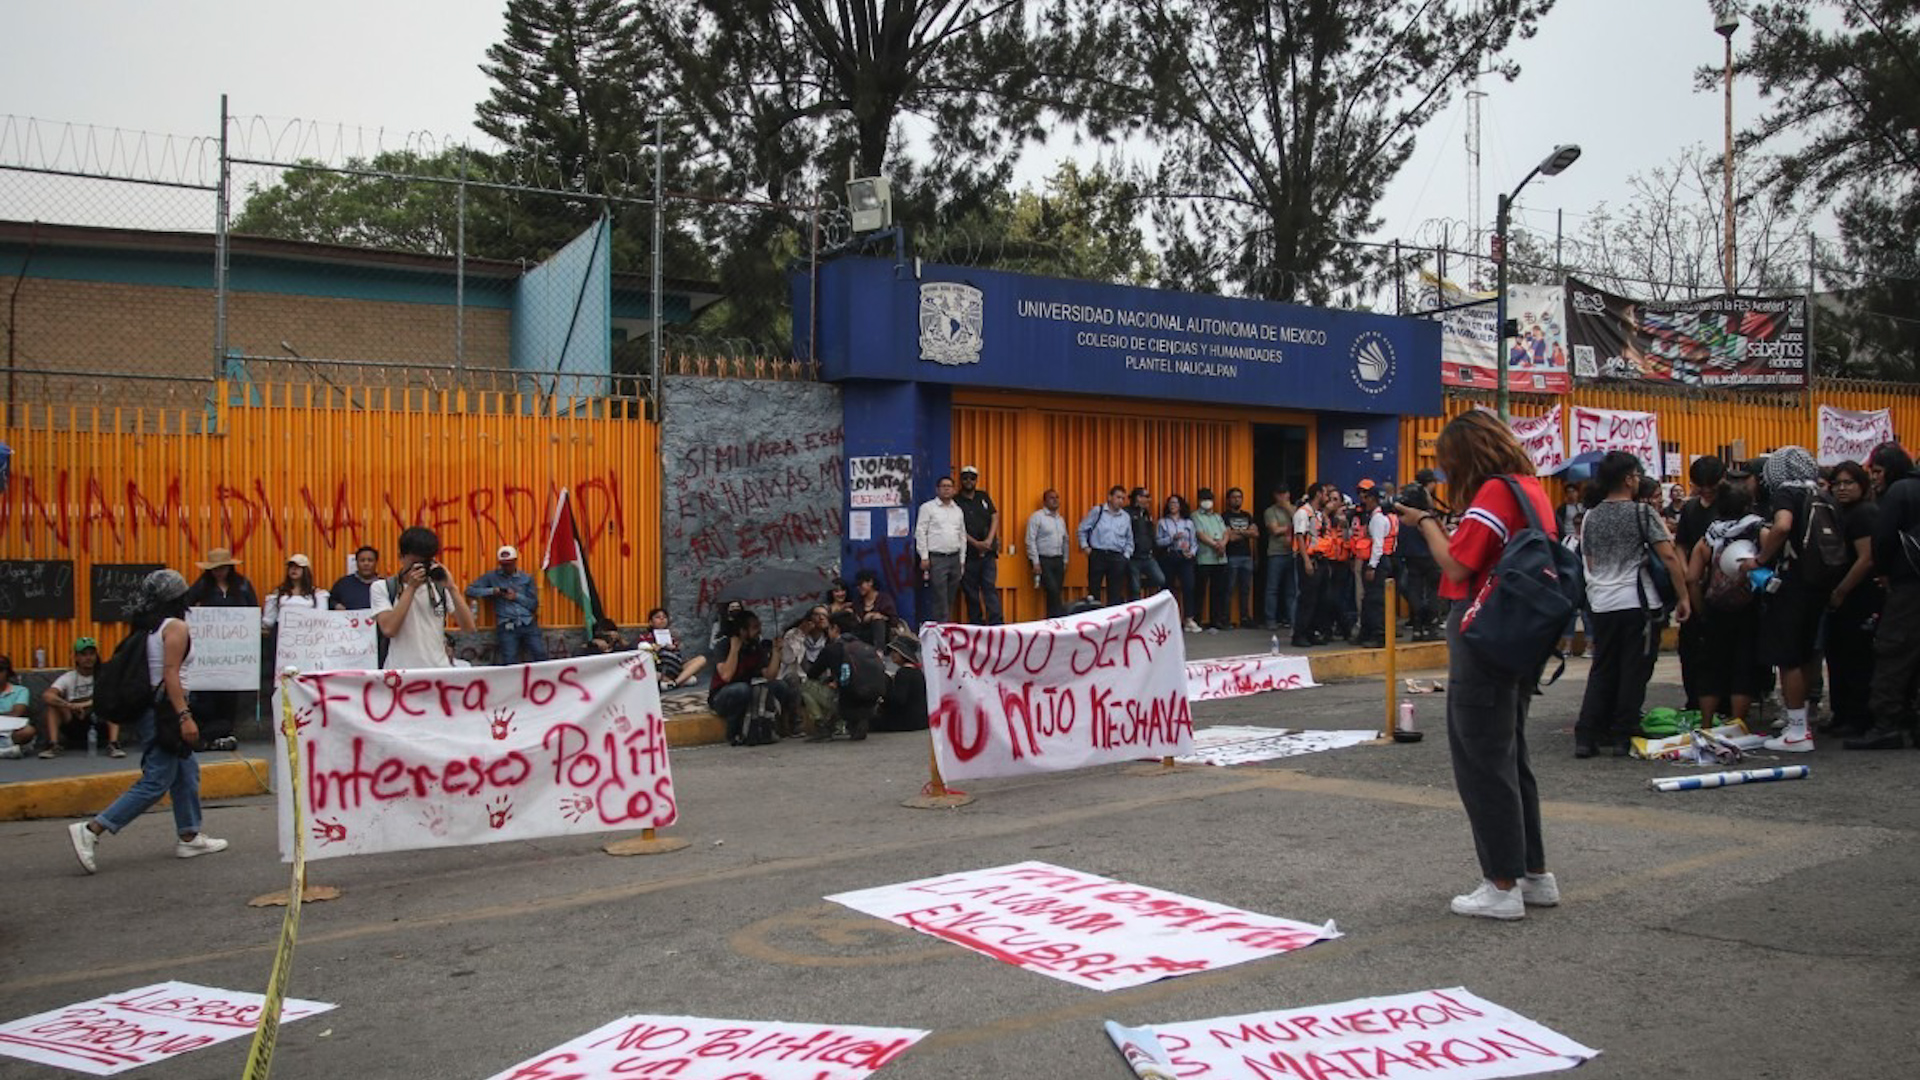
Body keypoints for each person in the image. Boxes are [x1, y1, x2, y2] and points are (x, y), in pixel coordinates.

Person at [1393, 410, 1558, 921]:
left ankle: (1501, 883)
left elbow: (1458, 563)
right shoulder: (1531, 490)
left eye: (1446, 464)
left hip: (1482, 632)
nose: (1444, 475)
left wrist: (1423, 522)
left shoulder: (1493, 494)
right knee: (1511, 757)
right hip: (1518, 635)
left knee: (1481, 759)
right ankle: (1533, 875)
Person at [67, 569, 229, 874]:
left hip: (156, 710)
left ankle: (190, 835)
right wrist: (185, 716)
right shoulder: (176, 627)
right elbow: (170, 675)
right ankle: (92, 829)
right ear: (179, 596)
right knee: (157, 780)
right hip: (166, 712)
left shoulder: (150, 627)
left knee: (186, 772)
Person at [1574, 452, 1691, 759]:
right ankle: (1623, 734)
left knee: (1602, 669)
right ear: (1628, 479)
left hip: (1601, 603)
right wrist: (1683, 597)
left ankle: (1586, 735)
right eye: (1637, 476)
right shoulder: (1642, 513)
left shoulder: (1590, 516)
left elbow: (1589, 561)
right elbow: (1668, 557)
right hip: (1637, 604)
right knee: (1633, 670)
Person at [1752, 447, 1833, 752]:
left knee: (1788, 658)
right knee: (1806, 652)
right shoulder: (1821, 493)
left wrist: (1761, 557)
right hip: (1817, 582)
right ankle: (1804, 719)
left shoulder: (1786, 494)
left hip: (1792, 582)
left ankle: (1797, 729)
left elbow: (1783, 526)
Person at [1849, 443, 1920, 750]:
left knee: (1892, 650)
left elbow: (1883, 538)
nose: (1874, 478)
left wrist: (1885, 572)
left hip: (1907, 586)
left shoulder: (1901, 491)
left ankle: (1886, 723)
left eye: (1877, 471)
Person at [1687, 483, 1766, 727]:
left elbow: (1692, 577)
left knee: (1711, 666)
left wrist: (1701, 609)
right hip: (1748, 607)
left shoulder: (1709, 535)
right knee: (1743, 666)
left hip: (1715, 607)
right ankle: (1737, 725)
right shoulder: (1758, 530)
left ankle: (1708, 723)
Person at [1820, 460, 1881, 739]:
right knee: (1838, 657)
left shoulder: (1864, 513)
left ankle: (1857, 717)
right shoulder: (1839, 511)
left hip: (1858, 597)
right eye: (1837, 483)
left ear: (1862, 484)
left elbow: (1866, 558)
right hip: (1840, 598)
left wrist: (1841, 591)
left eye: (1848, 483)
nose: (1842, 488)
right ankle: (1841, 713)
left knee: (1856, 658)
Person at [184, 547, 258, 752]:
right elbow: (186, 607)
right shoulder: (201, 586)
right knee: (208, 695)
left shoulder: (242, 585)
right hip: (209, 650)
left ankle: (225, 731)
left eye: (222, 568)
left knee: (230, 693)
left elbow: (253, 610)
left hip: (234, 649)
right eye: (215, 569)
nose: (219, 572)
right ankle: (210, 731)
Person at [371, 526, 477, 670]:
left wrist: (452, 588)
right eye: (415, 562)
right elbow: (389, 629)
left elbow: (469, 627)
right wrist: (411, 588)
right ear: (401, 557)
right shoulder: (383, 587)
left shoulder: (439, 587)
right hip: (401, 673)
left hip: (438, 671)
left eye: (425, 562)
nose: (421, 567)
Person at [1674, 457, 1725, 712]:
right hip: (1693, 586)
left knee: (1720, 647)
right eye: (1700, 486)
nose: (1706, 492)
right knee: (1690, 647)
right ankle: (1693, 699)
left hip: (1724, 589)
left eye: (1711, 487)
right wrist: (1686, 571)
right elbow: (1680, 544)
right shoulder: (1691, 508)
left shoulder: (1730, 506)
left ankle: (1721, 702)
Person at [709, 607, 786, 744]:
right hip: (723, 696)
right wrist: (734, 650)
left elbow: (769, 675)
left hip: (748, 692)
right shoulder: (723, 645)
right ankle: (734, 732)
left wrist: (776, 652)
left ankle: (770, 727)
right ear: (743, 631)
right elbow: (726, 676)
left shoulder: (756, 646)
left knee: (779, 686)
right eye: (755, 627)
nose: (759, 631)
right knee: (741, 689)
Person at [805, 611, 886, 741]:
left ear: (835, 628)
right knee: (844, 687)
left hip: (845, 703)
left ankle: (822, 726)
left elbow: (812, 674)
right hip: (871, 701)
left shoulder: (831, 649)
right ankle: (855, 721)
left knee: (805, 685)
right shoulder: (866, 647)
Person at [40, 638, 120, 758]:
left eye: (92, 654)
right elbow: (47, 695)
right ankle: (53, 745)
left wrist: (85, 705)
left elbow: (111, 694)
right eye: (83, 654)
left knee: (112, 703)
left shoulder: (103, 675)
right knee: (52, 706)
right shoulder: (68, 677)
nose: (88, 658)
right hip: (75, 721)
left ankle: (113, 744)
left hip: (98, 721)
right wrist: (69, 705)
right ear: (76, 657)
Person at [466, 545, 546, 665]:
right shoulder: (492, 577)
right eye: (503, 564)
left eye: (509, 564)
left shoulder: (526, 578)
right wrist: (492, 591)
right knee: (509, 660)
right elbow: (470, 590)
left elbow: (533, 604)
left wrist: (516, 597)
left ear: (515, 562)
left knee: (540, 654)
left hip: (527, 623)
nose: (506, 567)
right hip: (507, 625)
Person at [1398, 470, 1444, 641]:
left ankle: (1418, 628)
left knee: (1414, 590)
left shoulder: (1405, 510)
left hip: (1411, 555)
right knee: (1433, 591)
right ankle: (1431, 627)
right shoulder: (1424, 511)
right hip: (1428, 554)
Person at [954, 465, 1003, 625]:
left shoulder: (983, 496)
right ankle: (976, 624)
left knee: (989, 588)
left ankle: (996, 624)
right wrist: (975, 543)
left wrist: (989, 540)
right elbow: (957, 527)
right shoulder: (955, 501)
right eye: (965, 478)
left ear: (976, 480)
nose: (969, 481)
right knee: (971, 592)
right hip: (968, 554)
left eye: (972, 478)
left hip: (988, 553)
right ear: (961, 480)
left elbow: (994, 517)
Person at [915, 476, 967, 624]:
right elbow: (920, 532)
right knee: (939, 597)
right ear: (937, 489)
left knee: (950, 597)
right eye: (943, 486)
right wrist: (924, 556)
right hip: (937, 558)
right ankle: (941, 630)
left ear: (954, 489)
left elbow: (962, 535)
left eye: (949, 486)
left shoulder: (957, 510)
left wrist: (962, 560)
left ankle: (945, 625)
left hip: (955, 557)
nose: (946, 489)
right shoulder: (928, 508)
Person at [777, 605, 833, 739]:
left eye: (824, 616)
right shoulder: (794, 635)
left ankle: (830, 723)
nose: (821, 618)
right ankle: (796, 725)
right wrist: (800, 636)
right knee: (793, 678)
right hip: (797, 679)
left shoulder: (829, 639)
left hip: (819, 680)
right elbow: (788, 658)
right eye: (817, 615)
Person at [1355, 484, 1399, 649]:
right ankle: (1366, 633)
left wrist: (1372, 567)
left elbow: (1378, 545)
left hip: (1378, 562)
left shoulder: (1377, 519)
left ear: (1372, 499)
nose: (1364, 501)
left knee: (1376, 600)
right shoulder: (1377, 517)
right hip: (1379, 560)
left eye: (1366, 497)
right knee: (1369, 599)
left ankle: (1378, 635)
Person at [1078, 485, 1134, 607]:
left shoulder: (1125, 517)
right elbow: (1082, 529)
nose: (1120, 501)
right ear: (1109, 497)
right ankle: (1095, 620)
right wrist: (1085, 547)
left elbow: (1129, 538)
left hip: (1117, 557)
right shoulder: (1098, 511)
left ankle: (1112, 623)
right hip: (1098, 554)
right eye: (1118, 497)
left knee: (1115, 592)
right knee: (1094, 590)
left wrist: (1126, 556)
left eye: (1123, 498)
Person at [1291, 483, 1331, 648]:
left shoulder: (1318, 514)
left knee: (1319, 599)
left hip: (1321, 559)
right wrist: (1306, 560)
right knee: (1307, 599)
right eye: (1326, 494)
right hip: (1309, 559)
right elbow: (1299, 537)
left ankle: (1311, 632)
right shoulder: (1303, 513)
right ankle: (1299, 634)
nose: (1327, 498)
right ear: (1318, 494)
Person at [1156, 494, 1200, 632]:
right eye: (1170, 503)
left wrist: (1191, 552)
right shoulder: (1162, 522)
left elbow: (1194, 542)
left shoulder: (1188, 523)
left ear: (1181, 505)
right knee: (1167, 588)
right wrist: (1171, 538)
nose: (1173, 505)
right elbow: (1158, 542)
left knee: (1189, 586)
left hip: (1185, 556)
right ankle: (1167, 620)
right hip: (1169, 555)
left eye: (1175, 503)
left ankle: (1189, 619)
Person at [1025, 488, 1070, 618]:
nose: (1055, 500)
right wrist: (1035, 562)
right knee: (1052, 590)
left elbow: (1065, 540)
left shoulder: (1060, 520)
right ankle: (1060, 618)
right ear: (1044, 501)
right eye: (1051, 498)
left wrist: (1065, 560)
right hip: (1044, 560)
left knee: (1056, 592)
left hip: (1058, 559)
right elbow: (1030, 539)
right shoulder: (1037, 517)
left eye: (1057, 497)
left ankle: (1052, 620)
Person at [1192, 487, 1229, 631]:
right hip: (1204, 558)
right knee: (1200, 591)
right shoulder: (1195, 516)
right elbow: (1200, 534)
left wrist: (1223, 544)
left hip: (1220, 559)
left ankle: (1216, 620)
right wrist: (1216, 545)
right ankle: (1198, 619)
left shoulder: (1217, 517)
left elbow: (1226, 532)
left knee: (1218, 591)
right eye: (1204, 499)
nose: (1207, 502)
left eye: (1209, 499)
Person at [262, 553, 329, 632]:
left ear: (305, 570)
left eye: (298, 567)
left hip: (306, 632)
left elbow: (321, 617)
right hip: (282, 632)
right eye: (291, 567)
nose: (294, 569)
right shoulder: (279, 592)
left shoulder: (317, 593)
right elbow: (269, 619)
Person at [875, 635, 929, 733]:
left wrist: (884, 697)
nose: (892, 655)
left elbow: (899, 700)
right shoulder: (916, 671)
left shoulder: (904, 672)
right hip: (921, 720)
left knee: (872, 721)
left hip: (908, 721)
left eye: (895, 652)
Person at [1221, 487, 1258, 628]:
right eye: (1234, 497)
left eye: (1239, 497)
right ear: (1228, 500)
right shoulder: (1224, 516)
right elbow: (1229, 537)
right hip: (1231, 556)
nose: (1237, 499)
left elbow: (1256, 534)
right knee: (1229, 588)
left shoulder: (1247, 515)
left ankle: (1245, 617)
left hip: (1246, 556)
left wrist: (1239, 532)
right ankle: (1226, 619)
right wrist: (1246, 532)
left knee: (1245, 589)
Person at [1262, 485, 1296, 632]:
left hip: (1292, 552)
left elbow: (1301, 523)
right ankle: (1270, 619)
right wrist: (1290, 528)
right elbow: (1274, 530)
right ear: (1275, 495)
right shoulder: (1270, 511)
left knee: (1292, 589)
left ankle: (1292, 618)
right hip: (1276, 553)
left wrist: (1288, 509)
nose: (1282, 497)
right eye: (1279, 494)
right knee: (1272, 588)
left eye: (1285, 493)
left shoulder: (1294, 509)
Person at [1126, 486, 1165, 601]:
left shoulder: (1146, 513)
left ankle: (1135, 582)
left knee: (1160, 579)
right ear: (1138, 498)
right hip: (1133, 557)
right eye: (1147, 497)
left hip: (1148, 556)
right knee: (1135, 590)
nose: (1149, 500)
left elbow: (1150, 534)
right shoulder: (1127, 513)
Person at [850, 569, 899, 647]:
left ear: (870, 582)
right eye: (857, 586)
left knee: (878, 620)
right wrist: (865, 619)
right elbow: (856, 623)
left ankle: (880, 652)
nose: (859, 588)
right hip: (863, 636)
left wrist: (877, 616)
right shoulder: (858, 601)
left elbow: (894, 620)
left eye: (861, 585)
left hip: (882, 636)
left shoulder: (884, 599)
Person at [0, 655, 35, 759]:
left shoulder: (21, 690)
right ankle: (5, 751)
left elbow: (17, 713)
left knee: (28, 731)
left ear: (7, 672)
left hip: (11, 729)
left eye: (0, 670)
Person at [329, 546, 382, 611]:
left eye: (370, 560)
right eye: (362, 560)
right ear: (356, 562)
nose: (366, 564)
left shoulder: (384, 585)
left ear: (376, 562)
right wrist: (336, 605)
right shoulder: (343, 584)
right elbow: (330, 602)